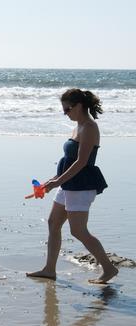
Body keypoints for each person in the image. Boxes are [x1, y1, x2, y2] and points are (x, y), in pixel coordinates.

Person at [27, 89, 118, 284]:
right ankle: (49, 269)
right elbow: (68, 161)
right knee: (53, 223)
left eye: (67, 109)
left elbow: (81, 162)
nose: (66, 113)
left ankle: (109, 268)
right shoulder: (77, 126)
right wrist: (48, 182)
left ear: (79, 106)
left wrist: (56, 182)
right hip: (68, 182)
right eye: (63, 111)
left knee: (78, 230)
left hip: (82, 184)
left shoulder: (90, 127)